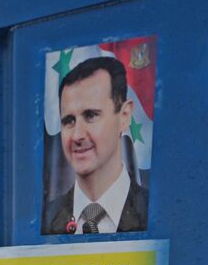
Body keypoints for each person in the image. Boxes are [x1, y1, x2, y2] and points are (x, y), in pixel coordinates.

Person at [44, 56, 149, 235]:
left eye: (91, 115)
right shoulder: (47, 219)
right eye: (69, 120)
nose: (77, 135)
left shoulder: (153, 212)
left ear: (124, 116)